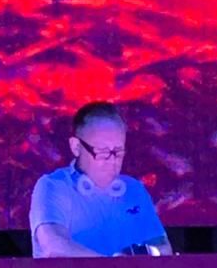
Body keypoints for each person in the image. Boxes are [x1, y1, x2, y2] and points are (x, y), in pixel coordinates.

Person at [30, 102, 172, 259]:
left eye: (118, 152)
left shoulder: (134, 190)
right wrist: (112, 266)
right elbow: (53, 245)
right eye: (102, 152)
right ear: (76, 147)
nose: (112, 161)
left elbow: (164, 249)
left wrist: (145, 254)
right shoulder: (53, 186)